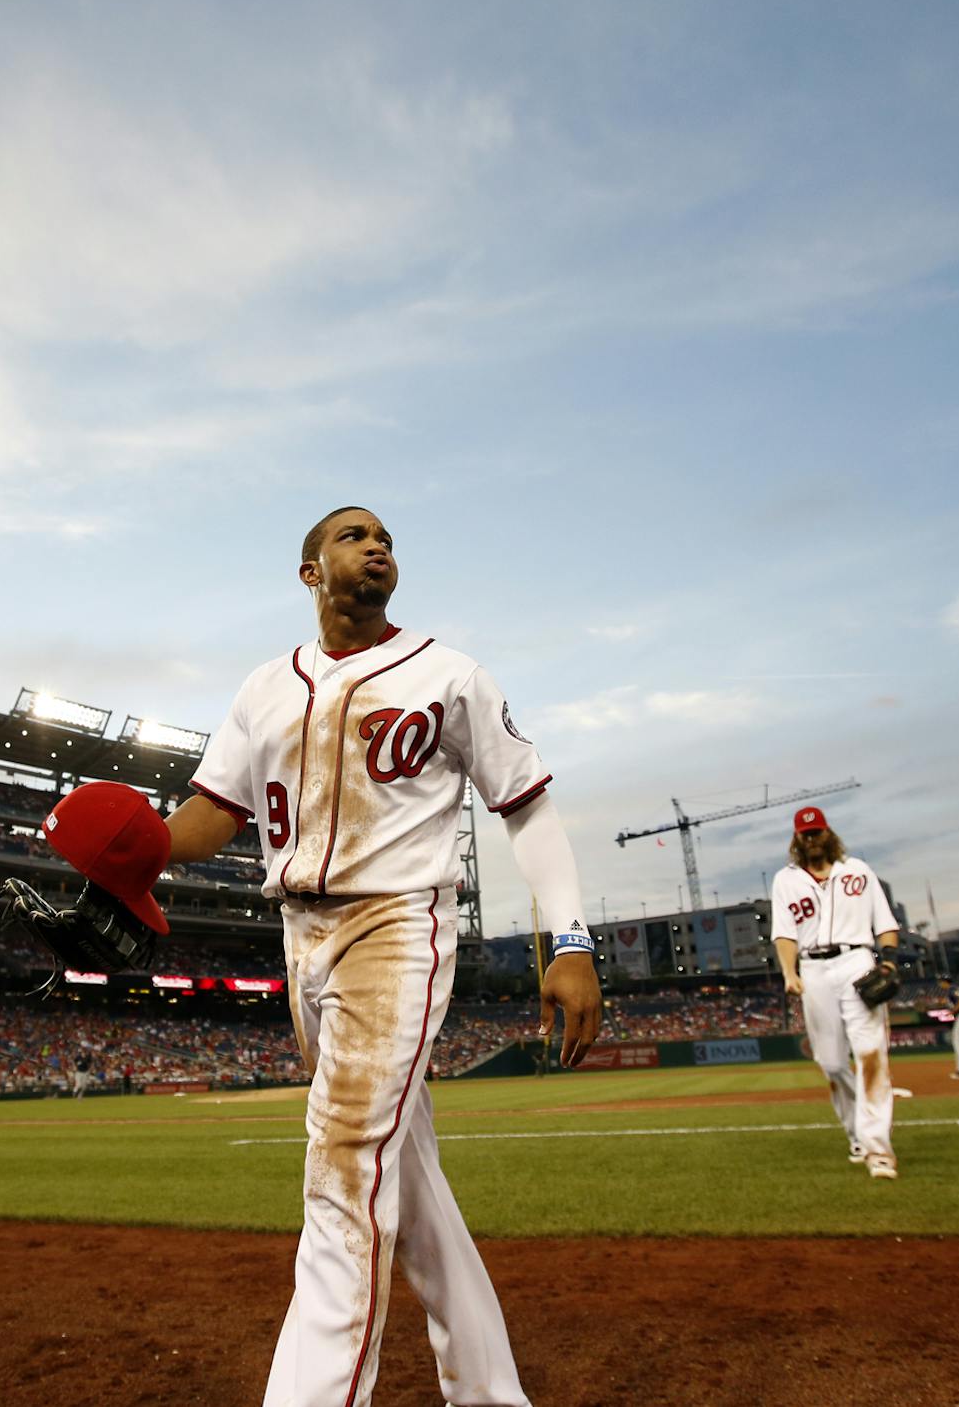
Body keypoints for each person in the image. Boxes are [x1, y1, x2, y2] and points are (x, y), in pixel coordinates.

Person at [161, 505, 602, 1407]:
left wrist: (570, 938)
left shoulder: (449, 673)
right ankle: (489, 1391)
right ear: (310, 571)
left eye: (387, 539)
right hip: (301, 937)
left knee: (342, 1170)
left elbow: (525, 804)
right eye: (354, 535)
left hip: (399, 922)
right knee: (406, 1179)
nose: (377, 546)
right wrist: (135, 848)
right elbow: (212, 814)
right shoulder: (264, 688)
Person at [771, 805, 902, 1180]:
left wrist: (889, 963)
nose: (812, 839)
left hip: (856, 961)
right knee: (830, 1063)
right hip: (813, 968)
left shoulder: (858, 871)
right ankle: (857, 1133)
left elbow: (886, 924)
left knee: (870, 1053)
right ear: (797, 838)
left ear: (828, 834)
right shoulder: (786, 879)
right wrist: (788, 971)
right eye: (805, 834)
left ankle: (879, 1149)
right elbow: (784, 932)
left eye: (817, 832)